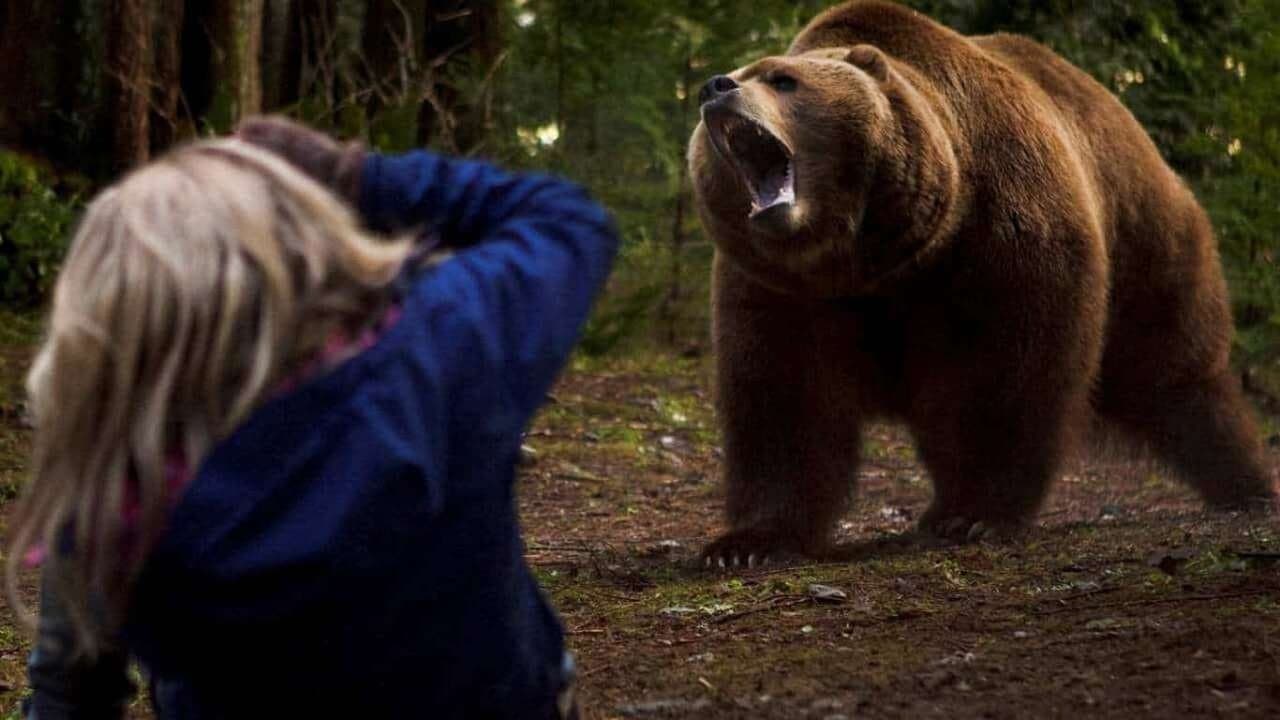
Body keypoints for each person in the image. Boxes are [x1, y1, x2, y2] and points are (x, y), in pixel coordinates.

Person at [7, 117, 618, 719]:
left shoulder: (113, 499)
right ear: (309, 246)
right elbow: (569, 220)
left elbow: (73, 692)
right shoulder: (438, 352)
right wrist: (355, 174)